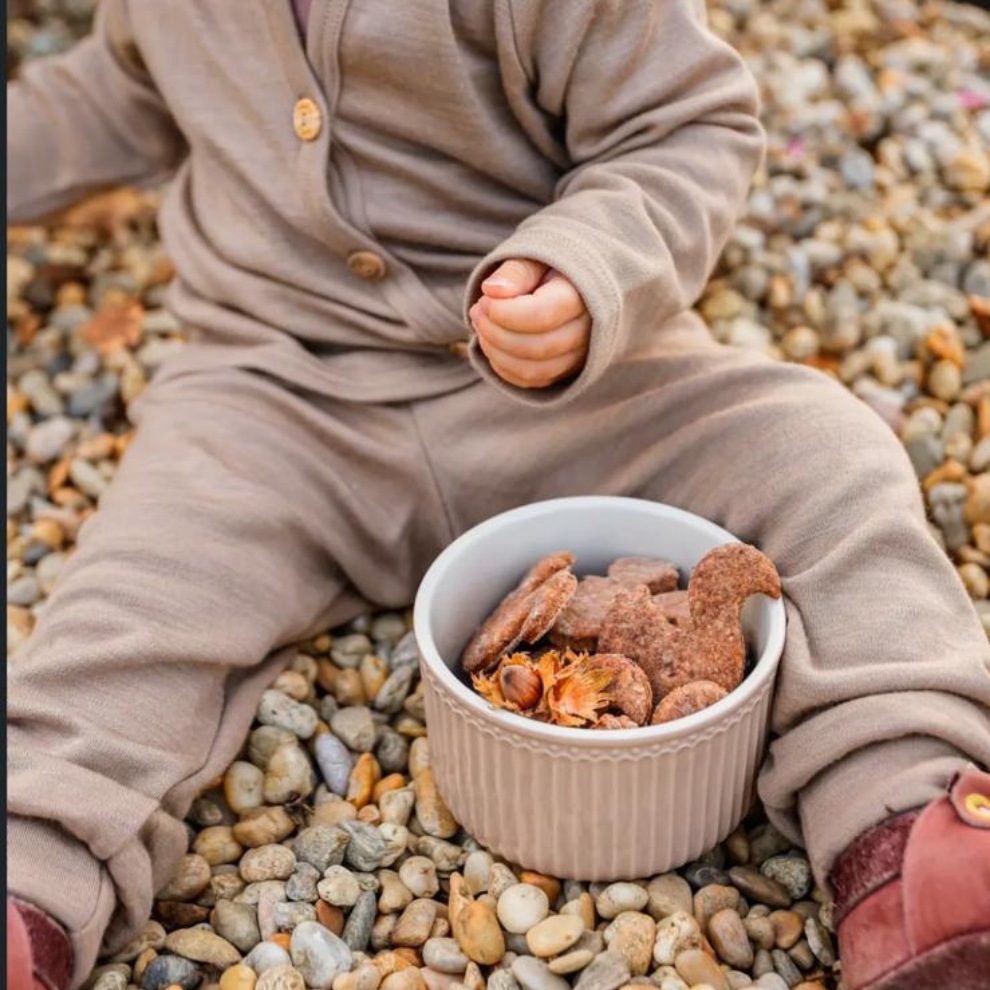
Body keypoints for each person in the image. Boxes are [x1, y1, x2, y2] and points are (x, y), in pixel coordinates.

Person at [7, 1, 989, 988]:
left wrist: (587, 267)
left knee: (816, 455)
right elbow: (118, 91)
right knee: (138, 601)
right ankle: (32, 870)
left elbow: (686, 126)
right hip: (273, 395)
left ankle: (906, 827)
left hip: (575, 391)